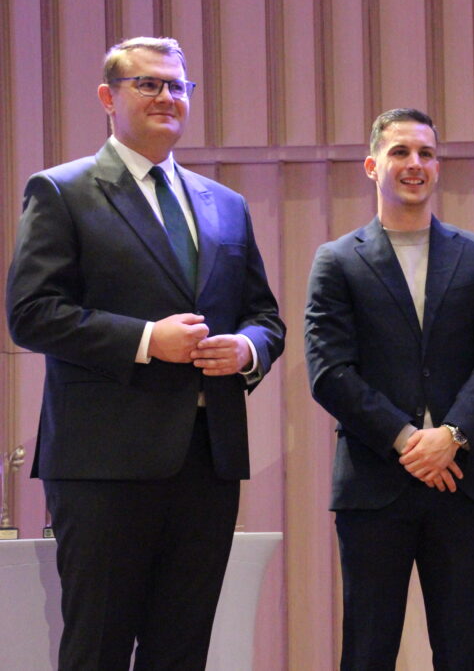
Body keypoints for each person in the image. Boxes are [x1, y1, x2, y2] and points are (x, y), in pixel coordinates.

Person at [5, 37, 285, 669]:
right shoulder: (62, 190)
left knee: (182, 651)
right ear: (108, 98)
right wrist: (145, 340)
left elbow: (264, 317)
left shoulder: (225, 204)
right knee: (98, 648)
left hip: (207, 460)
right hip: (103, 463)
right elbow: (31, 313)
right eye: (148, 84)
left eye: (177, 86)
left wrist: (246, 349)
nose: (166, 97)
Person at [304, 108, 474, 670]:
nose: (414, 163)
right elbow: (328, 371)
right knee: (368, 651)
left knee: (463, 650)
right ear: (372, 166)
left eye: (426, 153)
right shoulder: (337, 260)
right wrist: (408, 441)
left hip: (464, 479)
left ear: (438, 166)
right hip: (375, 480)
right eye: (400, 152)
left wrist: (451, 435)